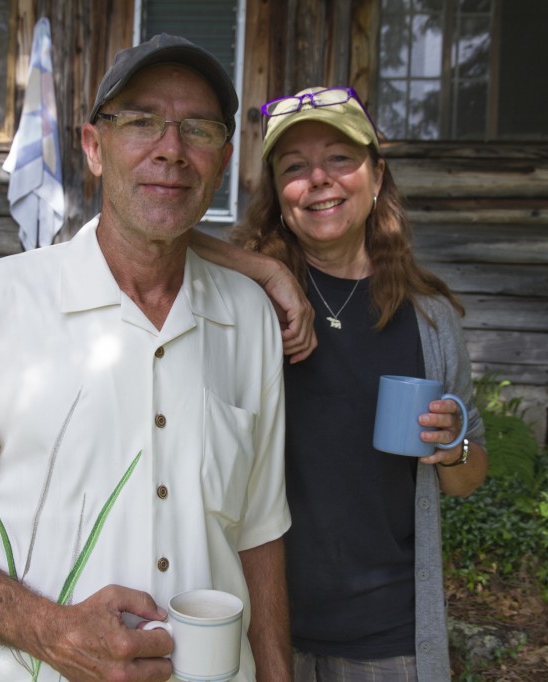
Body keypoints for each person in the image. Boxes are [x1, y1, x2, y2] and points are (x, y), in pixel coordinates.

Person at [0, 34, 293, 682]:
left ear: (225, 159)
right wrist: (56, 635)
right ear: (94, 149)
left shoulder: (249, 319)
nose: (171, 149)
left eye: (199, 129)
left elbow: (260, 535)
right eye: (141, 121)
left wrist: (277, 672)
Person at [193, 86, 489, 681]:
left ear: (376, 176)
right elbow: (138, 233)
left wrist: (452, 444)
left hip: (385, 634)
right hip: (256, 623)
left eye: (339, 159)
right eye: (294, 168)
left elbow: (468, 476)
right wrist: (268, 269)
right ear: (278, 195)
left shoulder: (429, 318)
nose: (319, 180)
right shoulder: (242, 302)